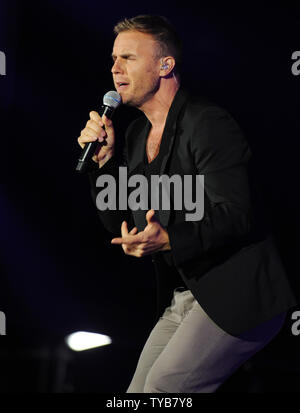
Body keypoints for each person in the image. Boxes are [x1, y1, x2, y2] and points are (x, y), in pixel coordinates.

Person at [77, 15, 298, 393]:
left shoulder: (207, 122)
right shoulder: (135, 134)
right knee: (136, 394)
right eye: (114, 59)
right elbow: (120, 224)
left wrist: (170, 240)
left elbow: (236, 214)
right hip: (184, 297)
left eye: (128, 57)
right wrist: (105, 165)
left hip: (238, 295)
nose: (115, 69)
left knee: (164, 388)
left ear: (166, 64)